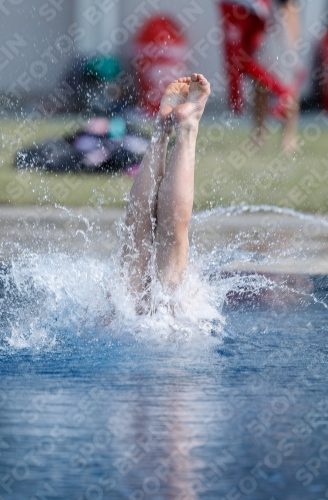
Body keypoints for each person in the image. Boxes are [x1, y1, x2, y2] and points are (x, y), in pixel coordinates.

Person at [120, 73, 211, 312]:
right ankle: (187, 130)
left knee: (130, 280)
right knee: (170, 295)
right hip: (167, 339)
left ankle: (160, 134)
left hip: (122, 331)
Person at [217, 0, 302, 150]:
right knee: (260, 78)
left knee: (287, 79)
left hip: (280, 14)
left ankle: (288, 137)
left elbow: (290, 6)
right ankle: (259, 134)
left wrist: (292, 43)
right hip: (260, 16)